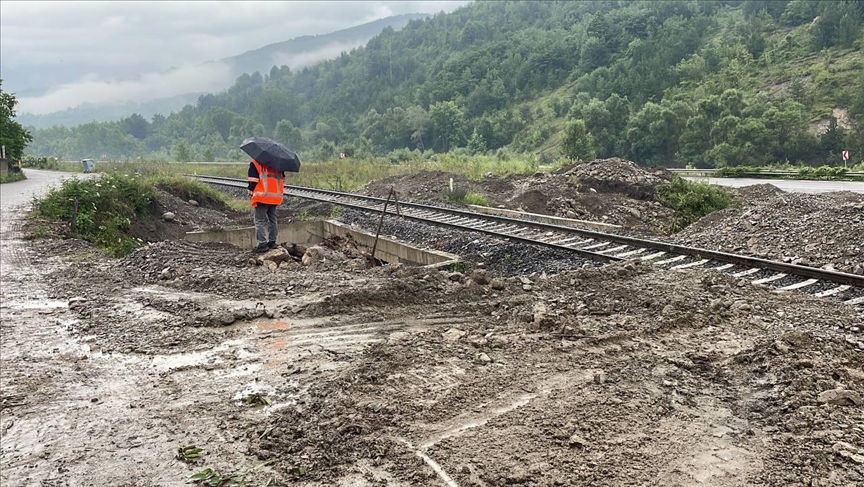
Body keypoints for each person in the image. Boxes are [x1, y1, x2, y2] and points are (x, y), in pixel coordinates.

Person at [247, 159, 286, 253]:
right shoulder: (278, 164)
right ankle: (272, 242)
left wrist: (250, 189)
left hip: (262, 197)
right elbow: (282, 179)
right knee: (273, 220)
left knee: (259, 220)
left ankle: (262, 244)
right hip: (275, 197)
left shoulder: (256, 163)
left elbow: (253, 180)